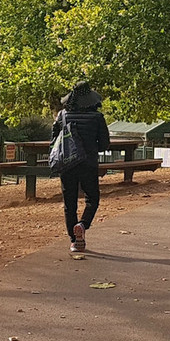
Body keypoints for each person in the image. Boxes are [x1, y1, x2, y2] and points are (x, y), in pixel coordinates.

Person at [52, 81, 110, 252]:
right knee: (92, 198)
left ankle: (74, 240)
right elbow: (104, 144)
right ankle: (83, 225)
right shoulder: (97, 117)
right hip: (89, 163)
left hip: (67, 164)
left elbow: (54, 140)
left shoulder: (62, 115)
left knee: (69, 203)